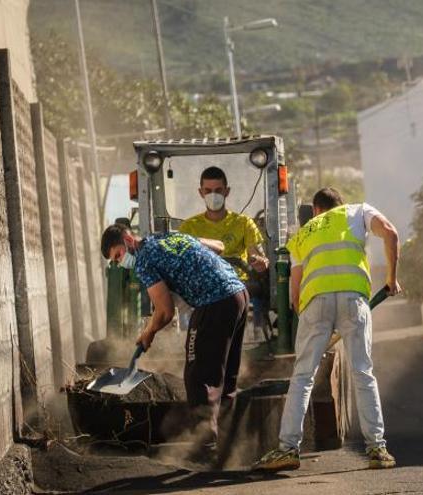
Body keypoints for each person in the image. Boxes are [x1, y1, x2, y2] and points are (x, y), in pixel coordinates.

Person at [255, 187, 401, 472]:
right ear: (339, 205)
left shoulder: (304, 232)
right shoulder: (358, 211)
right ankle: (377, 449)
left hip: (314, 303)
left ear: (316, 210)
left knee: (302, 377)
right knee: (363, 372)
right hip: (353, 299)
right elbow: (391, 234)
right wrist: (392, 280)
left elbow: (294, 295)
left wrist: (312, 324)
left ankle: (287, 449)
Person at [100, 223, 248, 461]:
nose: (120, 262)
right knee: (225, 378)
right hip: (239, 296)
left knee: (197, 376)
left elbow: (165, 311)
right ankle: (229, 445)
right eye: (115, 261)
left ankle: (205, 449)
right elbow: (218, 247)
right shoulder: (169, 237)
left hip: (214, 301)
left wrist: (148, 333)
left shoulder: (144, 261)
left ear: (128, 239)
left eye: (118, 255)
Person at [179, 166, 269, 339]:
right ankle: (188, 338)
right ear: (201, 192)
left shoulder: (244, 223)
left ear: (227, 191)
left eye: (218, 190)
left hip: (238, 284)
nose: (214, 195)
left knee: (257, 290)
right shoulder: (189, 227)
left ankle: (256, 335)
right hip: (203, 285)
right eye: (208, 190)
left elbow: (255, 254)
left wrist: (259, 261)